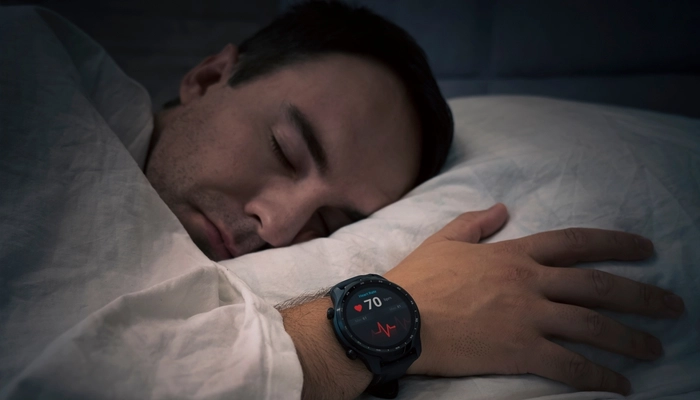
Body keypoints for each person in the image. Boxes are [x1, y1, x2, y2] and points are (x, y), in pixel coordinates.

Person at [0, 1, 685, 398]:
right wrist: (384, 323)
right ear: (209, 77)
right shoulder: (30, 78)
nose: (279, 225)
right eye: (285, 150)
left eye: (330, 221)